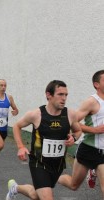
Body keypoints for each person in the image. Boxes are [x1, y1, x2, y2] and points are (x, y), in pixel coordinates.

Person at [6, 80, 82, 200]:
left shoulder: (70, 114)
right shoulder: (36, 114)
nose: (64, 98)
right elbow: (17, 126)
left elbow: (78, 131)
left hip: (58, 165)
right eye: (60, 94)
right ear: (48, 95)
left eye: (66, 95)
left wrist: (74, 137)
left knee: (35, 195)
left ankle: (15, 188)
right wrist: (20, 147)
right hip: (39, 163)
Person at [58, 70, 104, 198]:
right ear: (97, 84)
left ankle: (94, 170)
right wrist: (94, 130)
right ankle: (54, 176)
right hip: (89, 149)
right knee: (74, 185)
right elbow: (73, 121)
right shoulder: (92, 102)